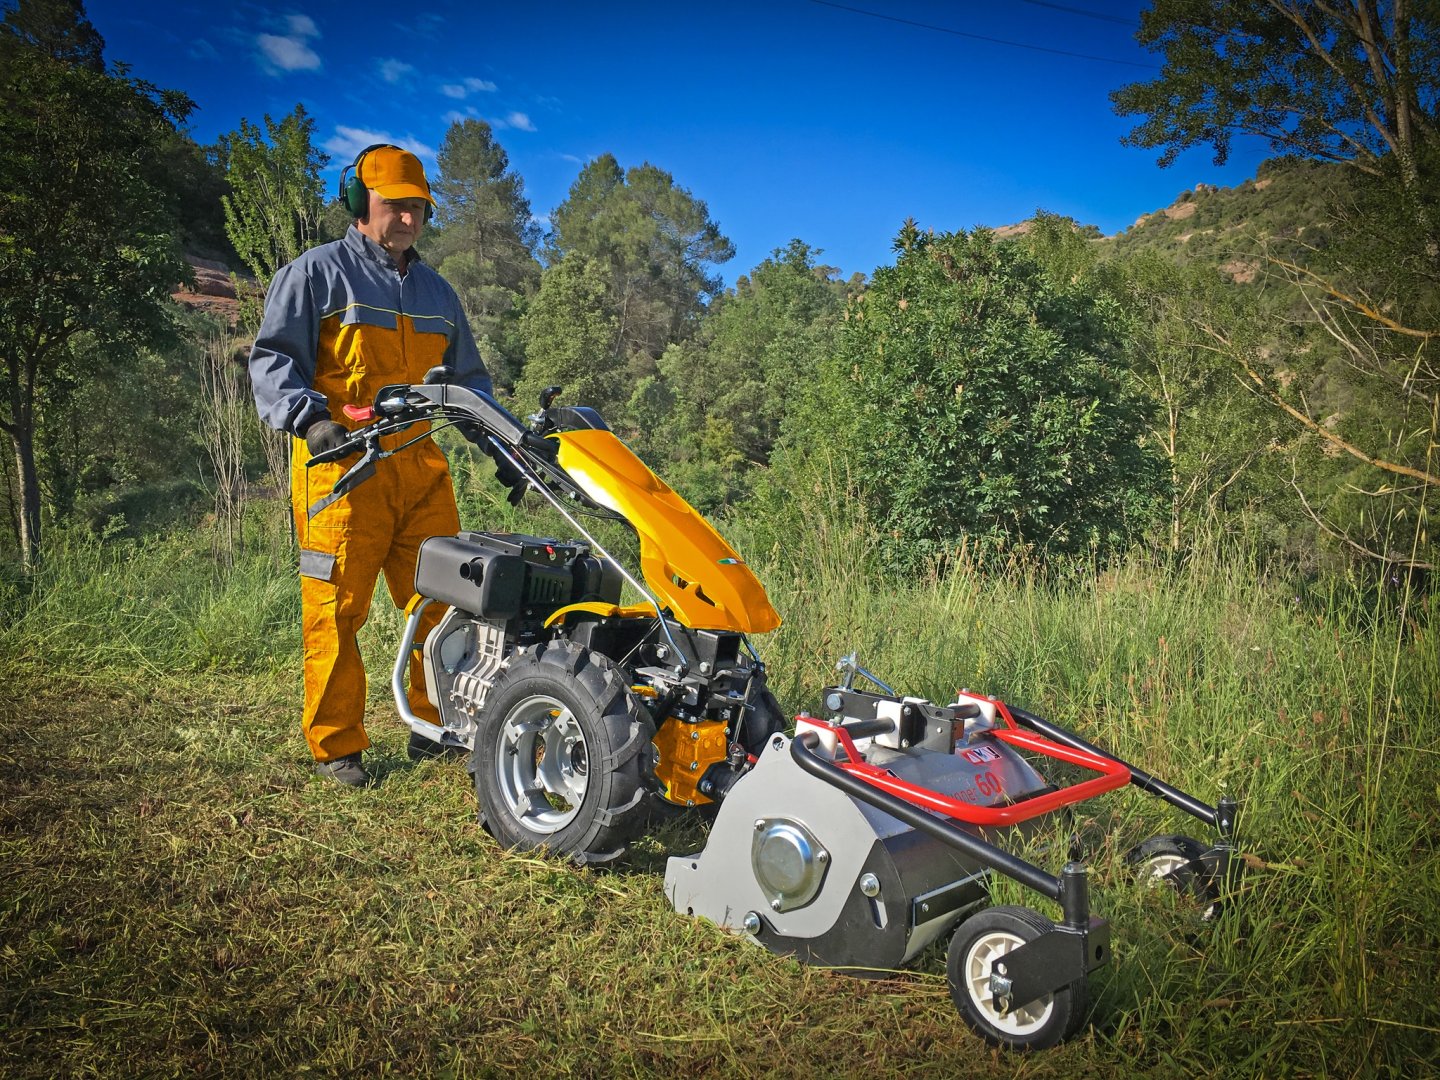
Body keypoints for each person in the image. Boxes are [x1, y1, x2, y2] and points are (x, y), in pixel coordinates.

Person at [249, 143, 491, 787]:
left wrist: (499, 443)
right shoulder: (315, 275)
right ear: (359, 203)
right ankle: (337, 744)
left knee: (447, 600)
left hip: (419, 465)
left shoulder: (439, 292)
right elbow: (273, 363)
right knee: (335, 607)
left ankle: (435, 722)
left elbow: (470, 384)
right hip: (343, 468)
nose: (408, 219)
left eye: (418, 207)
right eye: (395, 205)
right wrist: (310, 418)